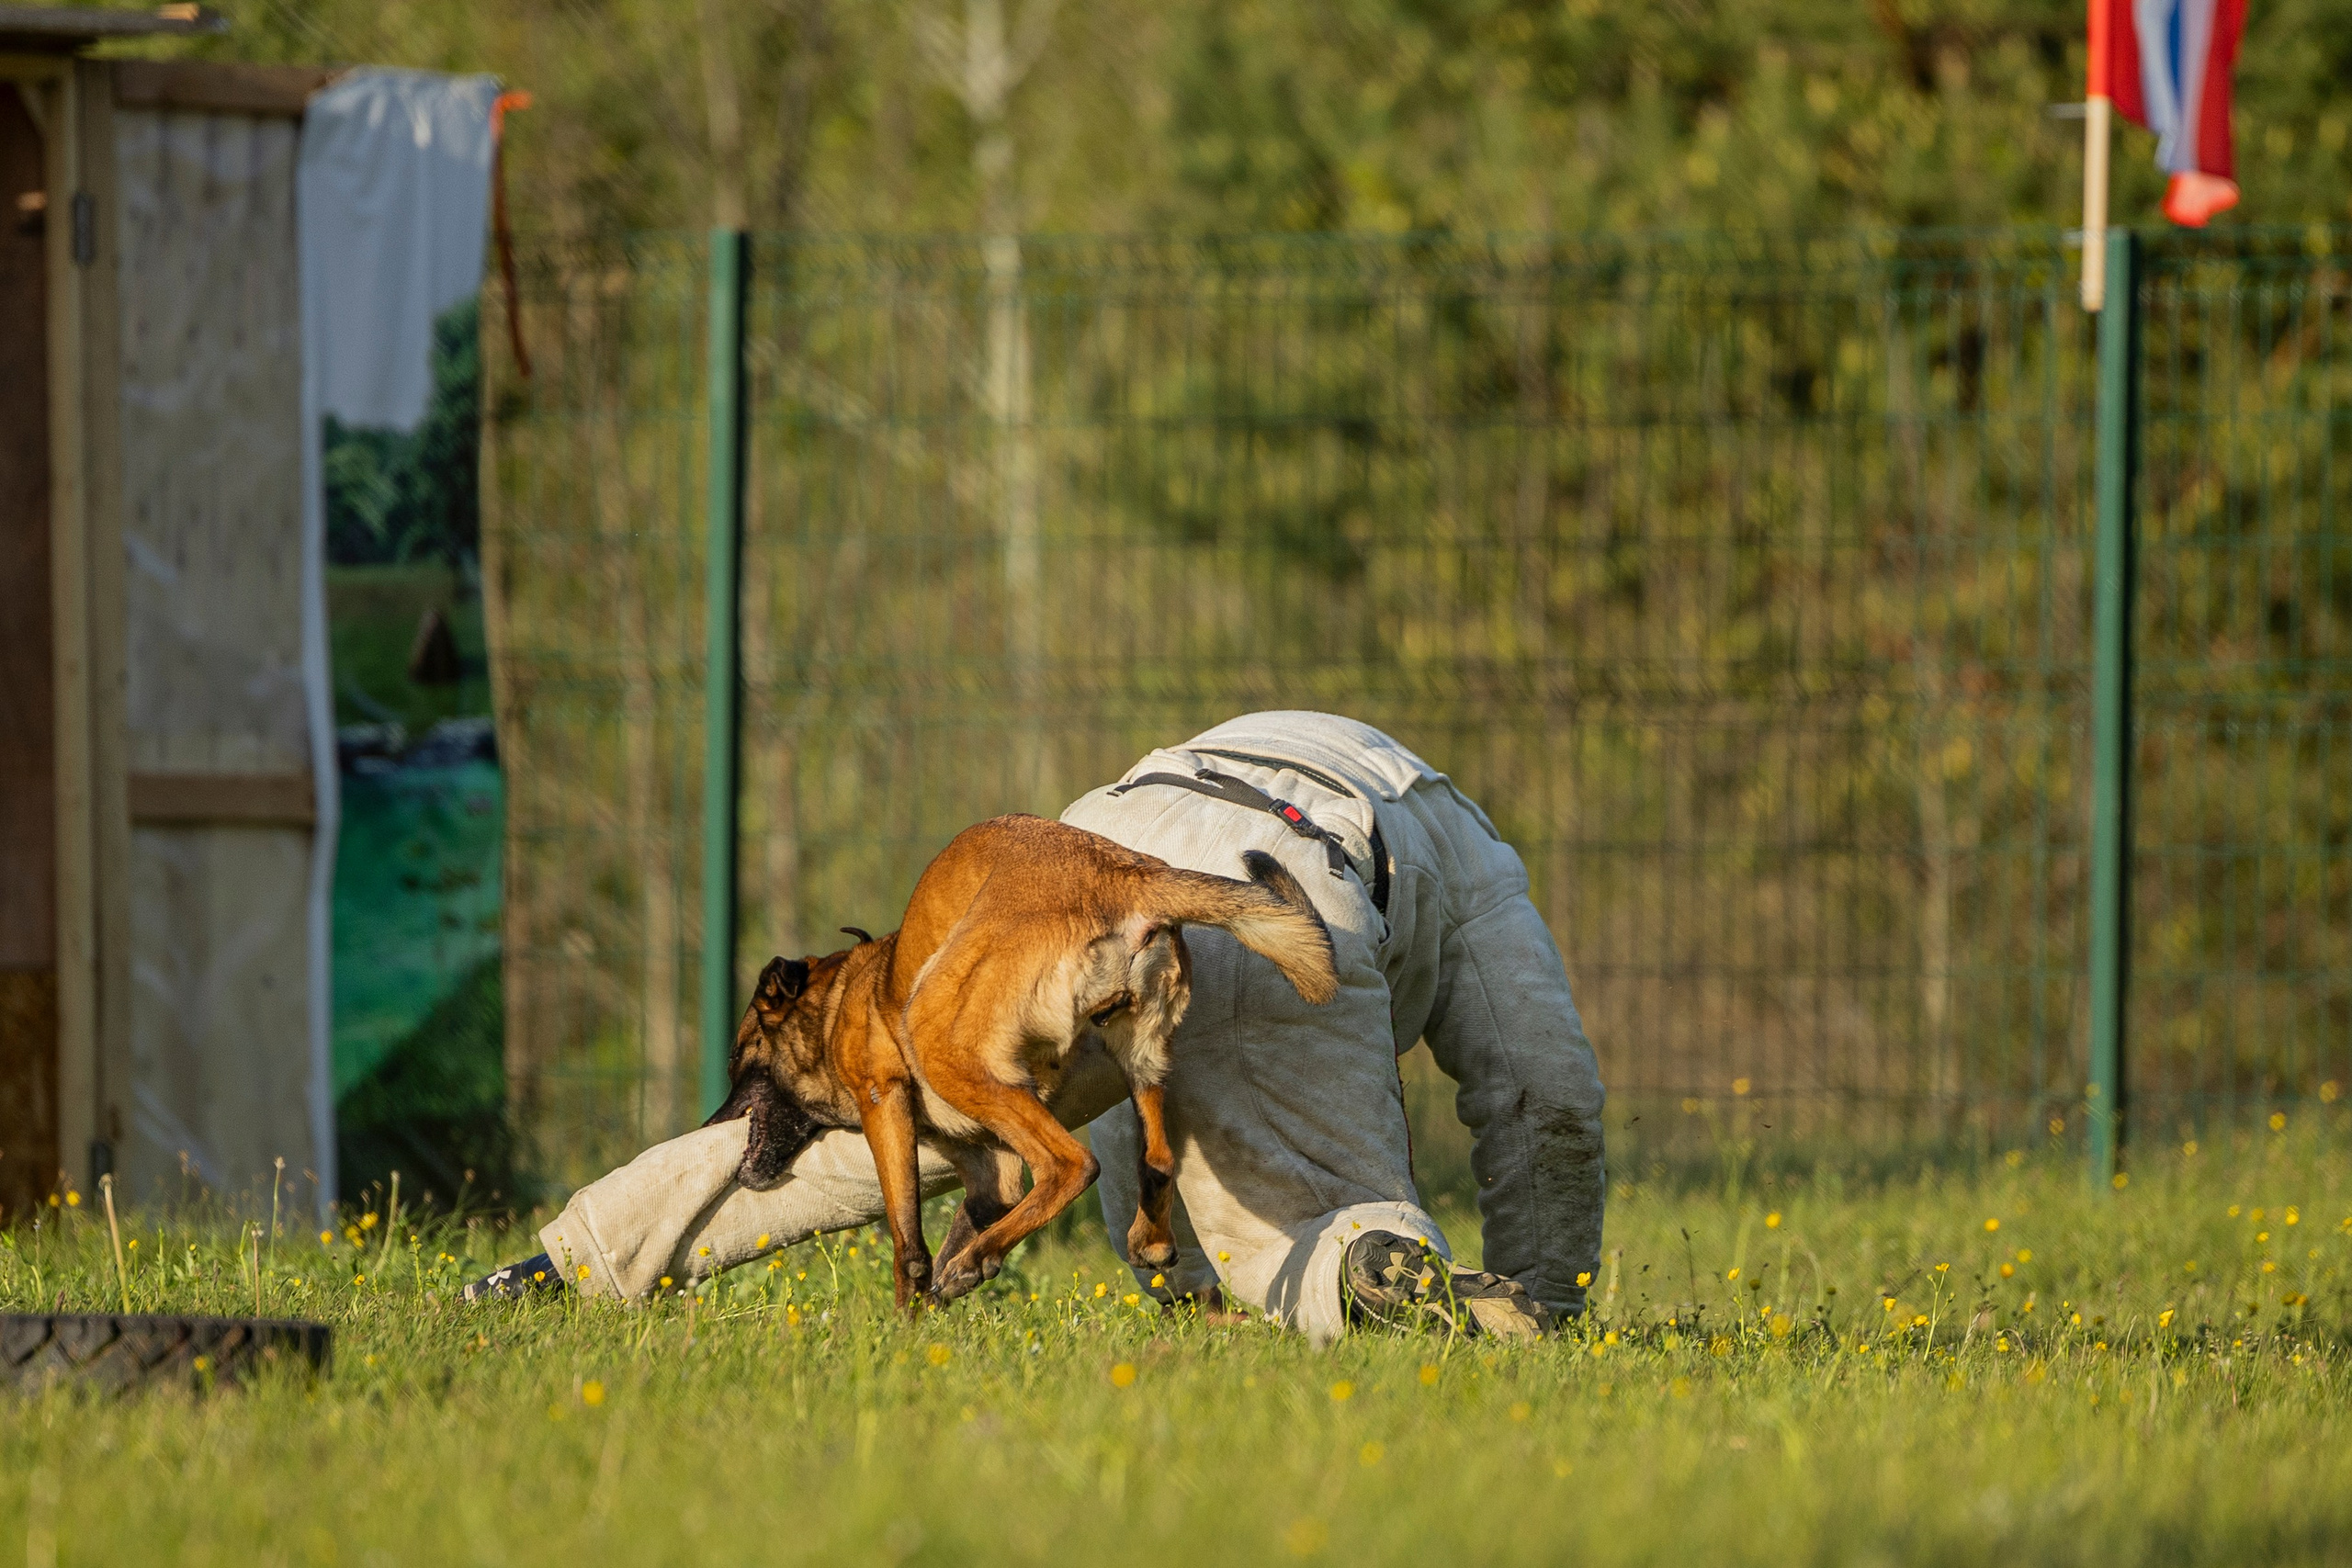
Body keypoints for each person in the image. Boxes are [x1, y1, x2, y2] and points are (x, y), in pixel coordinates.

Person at [466, 712, 1606, 1343]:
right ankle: (1386, 1275)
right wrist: (1552, 1298)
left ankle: (565, 1267)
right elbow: (1541, 1098)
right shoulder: (1478, 867)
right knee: (1304, 1236)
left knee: (894, 1117)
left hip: (1096, 827)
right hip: (1288, 867)